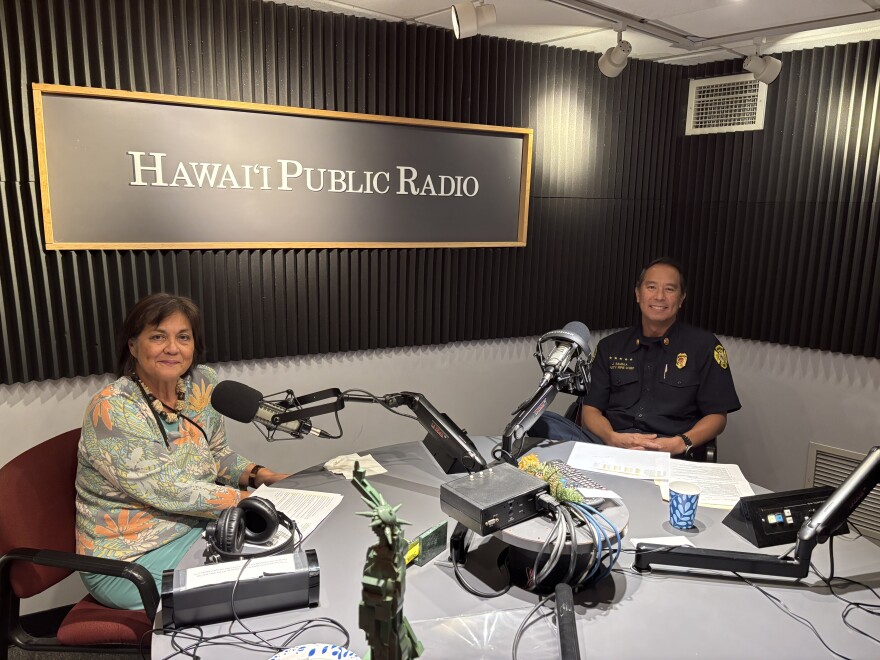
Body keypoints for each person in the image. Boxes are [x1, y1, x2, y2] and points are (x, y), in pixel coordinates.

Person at [75, 293, 289, 610]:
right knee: (261, 575)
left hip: (196, 523)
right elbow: (171, 490)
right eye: (158, 336)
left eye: (183, 337)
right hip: (131, 559)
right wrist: (261, 501)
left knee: (279, 551)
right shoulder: (113, 408)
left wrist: (264, 476)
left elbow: (217, 455)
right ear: (133, 346)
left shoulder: (202, 384)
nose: (172, 348)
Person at [528, 257, 740, 459]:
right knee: (538, 419)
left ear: (681, 298)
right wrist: (612, 438)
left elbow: (717, 417)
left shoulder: (704, 346)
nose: (659, 296)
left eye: (670, 289)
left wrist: (678, 443)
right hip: (610, 447)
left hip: (668, 452)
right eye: (651, 287)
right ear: (638, 294)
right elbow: (590, 410)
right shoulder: (610, 346)